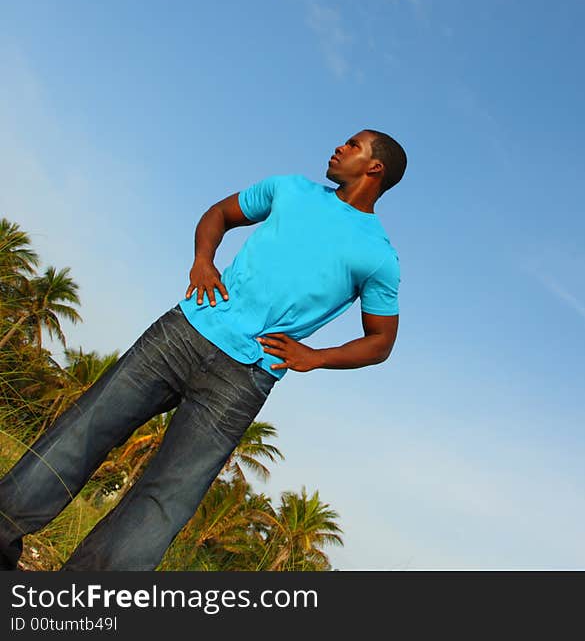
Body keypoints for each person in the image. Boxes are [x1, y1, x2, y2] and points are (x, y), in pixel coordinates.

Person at [0, 129, 405, 570]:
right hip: (183, 333)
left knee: (165, 500)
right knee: (83, 432)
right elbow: (220, 213)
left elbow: (381, 340)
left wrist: (316, 357)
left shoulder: (379, 257)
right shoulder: (290, 188)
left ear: (374, 167)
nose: (338, 147)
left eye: (352, 145)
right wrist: (203, 260)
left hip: (244, 378)